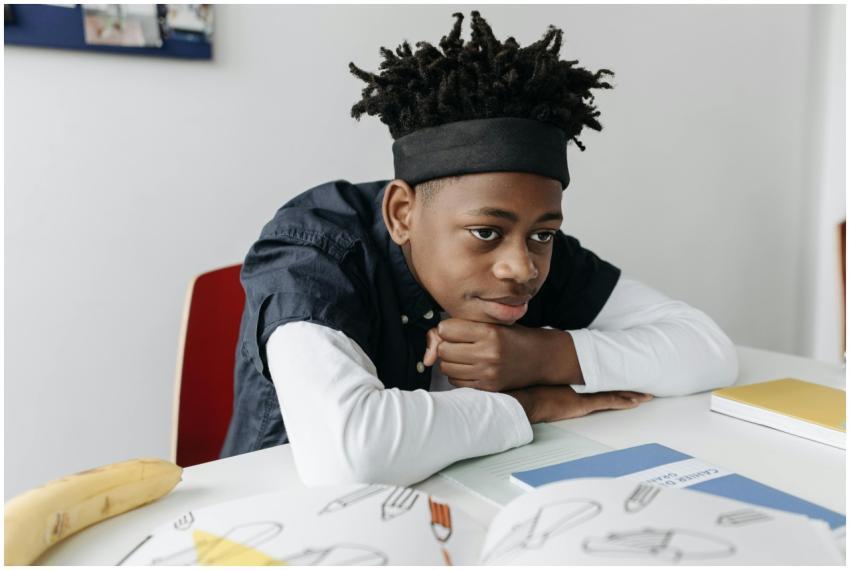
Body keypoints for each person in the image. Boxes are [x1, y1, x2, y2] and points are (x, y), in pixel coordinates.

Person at [220, 11, 738, 485]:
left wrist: (542, 355)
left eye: (543, 233)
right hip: (282, 524)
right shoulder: (315, 252)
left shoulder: (528, 248)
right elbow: (351, 454)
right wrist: (528, 405)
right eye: (486, 233)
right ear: (403, 215)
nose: (523, 268)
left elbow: (707, 352)